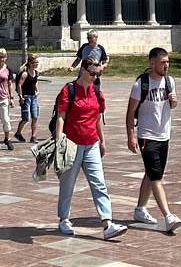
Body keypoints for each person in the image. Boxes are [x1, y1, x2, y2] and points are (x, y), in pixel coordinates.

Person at [54, 56, 127, 241]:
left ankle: (107, 224)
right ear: (83, 70)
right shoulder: (68, 90)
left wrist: (102, 141)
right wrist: (59, 139)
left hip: (92, 143)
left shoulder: (96, 92)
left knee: (99, 183)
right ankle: (64, 219)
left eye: (98, 73)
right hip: (72, 144)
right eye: (93, 73)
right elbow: (61, 116)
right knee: (68, 184)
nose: (95, 76)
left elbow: (97, 119)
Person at [126, 47, 181, 233]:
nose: (167, 65)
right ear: (152, 63)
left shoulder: (169, 81)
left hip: (164, 135)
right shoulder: (140, 85)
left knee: (151, 173)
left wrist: (174, 101)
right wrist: (130, 136)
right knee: (156, 177)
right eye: (163, 62)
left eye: (168, 62)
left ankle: (140, 209)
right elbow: (130, 112)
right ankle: (168, 216)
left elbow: (171, 106)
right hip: (146, 136)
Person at [14, 53, 41, 144]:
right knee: (26, 118)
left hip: (33, 97)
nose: (36, 64)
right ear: (30, 63)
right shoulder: (25, 74)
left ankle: (33, 136)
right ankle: (18, 133)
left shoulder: (36, 73)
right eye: (34, 62)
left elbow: (35, 82)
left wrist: (37, 91)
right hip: (26, 97)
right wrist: (20, 96)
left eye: (37, 62)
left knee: (35, 117)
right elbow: (19, 85)